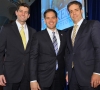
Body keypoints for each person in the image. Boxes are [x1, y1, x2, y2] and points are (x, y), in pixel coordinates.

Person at [65, 1, 100, 90]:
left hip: (89, 75)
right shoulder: (69, 32)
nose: (74, 13)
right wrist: (68, 71)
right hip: (72, 77)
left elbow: (98, 49)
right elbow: (69, 53)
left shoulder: (93, 25)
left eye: (76, 10)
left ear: (81, 11)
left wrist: (97, 72)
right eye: (71, 11)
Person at [0, 3, 36, 90]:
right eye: (21, 11)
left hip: (27, 76)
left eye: (26, 12)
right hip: (10, 74)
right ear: (16, 12)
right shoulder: (6, 29)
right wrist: (0, 73)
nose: (23, 14)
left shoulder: (33, 32)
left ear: (28, 15)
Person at [30, 9, 66, 90]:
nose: (51, 20)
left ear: (57, 19)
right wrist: (33, 80)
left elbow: (66, 55)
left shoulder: (64, 35)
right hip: (43, 78)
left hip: (60, 78)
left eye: (53, 17)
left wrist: (67, 72)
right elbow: (33, 58)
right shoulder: (38, 36)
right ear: (45, 20)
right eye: (48, 18)